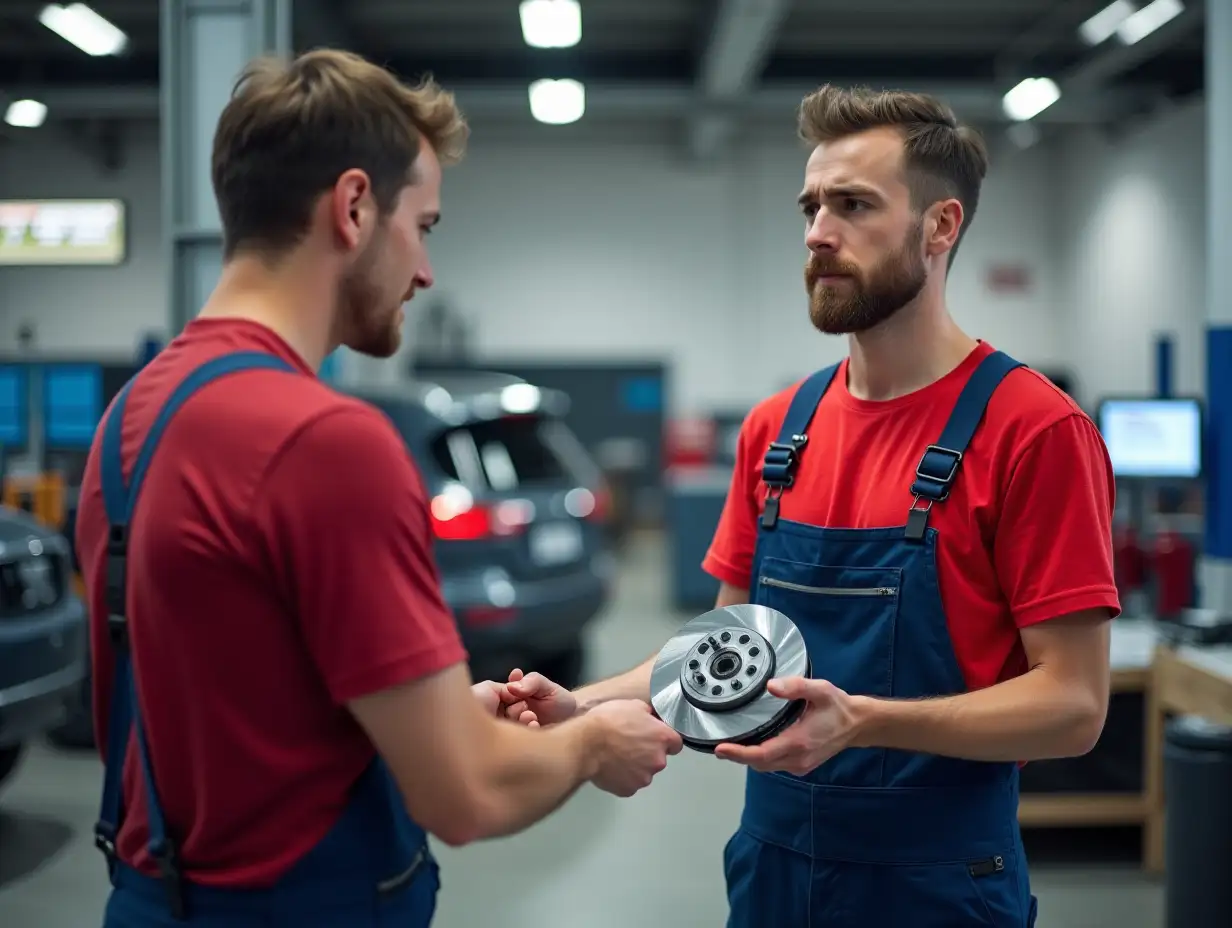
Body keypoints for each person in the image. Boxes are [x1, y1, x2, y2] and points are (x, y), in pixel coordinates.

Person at [74, 48, 682, 928]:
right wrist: (593, 740)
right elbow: (467, 798)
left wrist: (435, 716)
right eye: (424, 225)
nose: (427, 271)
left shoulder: (135, 417)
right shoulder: (326, 440)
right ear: (354, 207)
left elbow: (228, 707)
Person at [498, 85, 1119, 927]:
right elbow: (718, 656)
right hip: (773, 868)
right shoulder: (777, 431)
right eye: (811, 206)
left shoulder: (1034, 431)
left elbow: (1074, 709)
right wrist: (586, 705)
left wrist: (862, 723)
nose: (817, 234)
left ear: (940, 227)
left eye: (853, 205)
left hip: (938, 880)